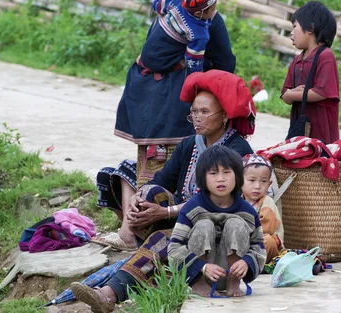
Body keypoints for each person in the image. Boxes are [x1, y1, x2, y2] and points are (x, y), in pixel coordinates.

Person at [94, 70, 255, 250]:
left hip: (210, 221)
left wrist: (165, 212)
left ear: (224, 116)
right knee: (148, 192)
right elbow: (162, 180)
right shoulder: (189, 144)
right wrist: (136, 197)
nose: (197, 118)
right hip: (179, 213)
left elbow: (218, 200)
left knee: (158, 243)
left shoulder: (237, 150)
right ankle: (137, 238)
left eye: (205, 112)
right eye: (194, 112)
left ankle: (149, 243)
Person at [114, 0, 235, 185]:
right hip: (175, 101)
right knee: (177, 169)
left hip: (144, 89)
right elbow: (224, 64)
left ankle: (142, 212)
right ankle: (167, 214)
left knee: (150, 169)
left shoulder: (175, 5)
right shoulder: (206, 21)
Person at [168, 145, 266, 297]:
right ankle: (199, 283)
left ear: (238, 176)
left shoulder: (247, 211)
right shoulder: (192, 208)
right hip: (198, 271)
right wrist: (202, 267)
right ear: (203, 178)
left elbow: (259, 247)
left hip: (231, 272)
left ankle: (233, 281)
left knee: (236, 223)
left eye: (227, 172)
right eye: (213, 173)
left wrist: (246, 262)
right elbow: (174, 248)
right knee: (204, 224)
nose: (221, 178)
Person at [281, 1, 340, 144]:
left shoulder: (325, 56)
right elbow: (285, 95)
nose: (291, 33)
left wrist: (293, 94)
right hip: (298, 130)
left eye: (295, 27)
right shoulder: (297, 60)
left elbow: (321, 92)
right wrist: (290, 94)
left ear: (310, 28)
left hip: (321, 133)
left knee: (318, 162)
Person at [152, 0, 219, 74]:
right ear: (198, 13)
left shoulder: (175, 1)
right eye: (213, 9)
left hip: (151, 48)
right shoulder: (199, 33)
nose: (215, 11)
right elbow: (193, 61)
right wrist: (197, 77)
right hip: (162, 63)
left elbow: (157, 2)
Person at [241, 153, 284, 263]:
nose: (257, 186)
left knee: (267, 241)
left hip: (262, 241)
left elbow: (267, 228)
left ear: (269, 184)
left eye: (263, 181)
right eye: (251, 180)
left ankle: (252, 263)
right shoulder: (238, 202)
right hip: (244, 242)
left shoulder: (267, 202)